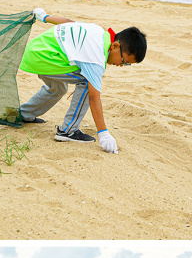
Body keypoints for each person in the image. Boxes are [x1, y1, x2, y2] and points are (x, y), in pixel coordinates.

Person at [20, 9, 147, 152]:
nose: (121, 65)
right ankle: (68, 131)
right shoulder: (96, 57)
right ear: (115, 46)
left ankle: (25, 114)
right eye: (124, 61)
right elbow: (94, 98)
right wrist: (103, 133)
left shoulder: (98, 32)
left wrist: (45, 17)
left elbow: (69, 23)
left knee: (59, 88)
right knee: (87, 82)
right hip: (44, 58)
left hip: (37, 49)